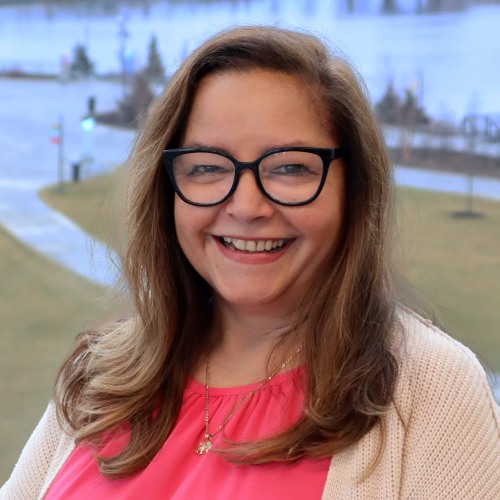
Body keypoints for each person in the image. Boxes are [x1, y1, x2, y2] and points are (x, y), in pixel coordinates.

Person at [1, 26, 499, 500]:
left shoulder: (432, 391)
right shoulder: (103, 375)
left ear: (355, 190)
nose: (246, 207)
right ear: (168, 189)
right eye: (206, 167)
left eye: (288, 167)